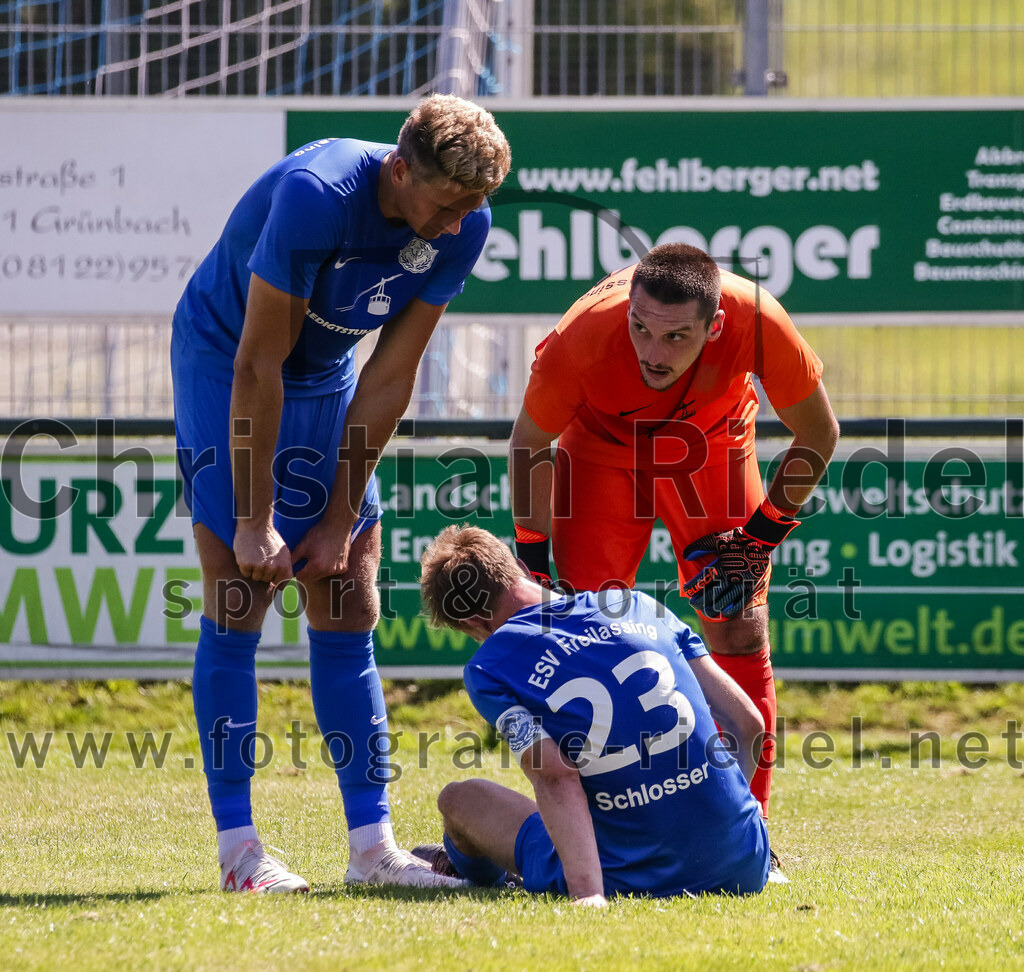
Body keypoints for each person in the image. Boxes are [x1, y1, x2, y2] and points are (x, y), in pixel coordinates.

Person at [171, 94, 511, 893]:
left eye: (476, 205)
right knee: (237, 597)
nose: (463, 223)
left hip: (324, 372)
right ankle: (239, 853)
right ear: (400, 170)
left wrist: (339, 515)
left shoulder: (466, 223)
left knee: (349, 595)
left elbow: (391, 374)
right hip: (228, 363)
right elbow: (258, 365)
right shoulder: (316, 194)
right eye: (451, 202)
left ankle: (372, 850)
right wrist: (255, 522)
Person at [508, 243, 839, 821]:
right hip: (601, 452)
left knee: (737, 623)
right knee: (591, 636)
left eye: (675, 338)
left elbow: (819, 434)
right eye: (640, 329)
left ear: (715, 327)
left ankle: (748, 828)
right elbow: (530, 445)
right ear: (628, 309)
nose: (651, 352)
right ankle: (604, 830)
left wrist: (759, 540)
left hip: (710, 445)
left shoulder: (758, 319)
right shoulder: (582, 336)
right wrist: (534, 565)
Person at [416, 524, 772, 904]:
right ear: (519, 566)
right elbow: (749, 723)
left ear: (471, 623)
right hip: (744, 862)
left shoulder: (490, 666)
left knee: (458, 800)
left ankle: (461, 866)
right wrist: (723, 829)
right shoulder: (638, 605)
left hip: (629, 875)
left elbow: (554, 774)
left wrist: (589, 895)